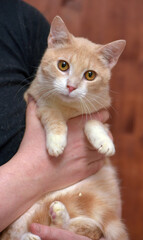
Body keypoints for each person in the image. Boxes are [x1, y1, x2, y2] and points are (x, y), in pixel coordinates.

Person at [0, 0, 108, 239]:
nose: (71, 84)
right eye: (64, 66)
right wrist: (33, 172)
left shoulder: (20, 20)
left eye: (88, 75)